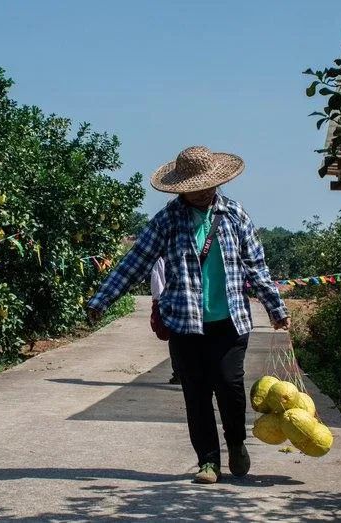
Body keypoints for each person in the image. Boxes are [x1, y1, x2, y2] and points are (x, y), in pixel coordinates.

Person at [87, 145, 290, 484]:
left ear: (217, 181)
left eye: (207, 186)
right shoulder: (167, 220)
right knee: (196, 393)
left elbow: (256, 266)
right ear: (180, 188)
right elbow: (134, 262)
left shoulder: (235, 214)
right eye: (194, 188)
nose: (201, 193)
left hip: (230, 320)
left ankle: (236, 442)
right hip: (185, 323)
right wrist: (101, 300)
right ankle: (208, 461)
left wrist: (275, 308)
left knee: (230, 385)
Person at [150, 257, 180, 384]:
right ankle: (179, 373)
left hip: (168, 302)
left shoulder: (160, 259)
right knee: (176, 339)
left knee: (175, 339)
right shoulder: (163, 258)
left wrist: (157, 302)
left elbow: (157, 283)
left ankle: (178, 373)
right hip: (173, 302)